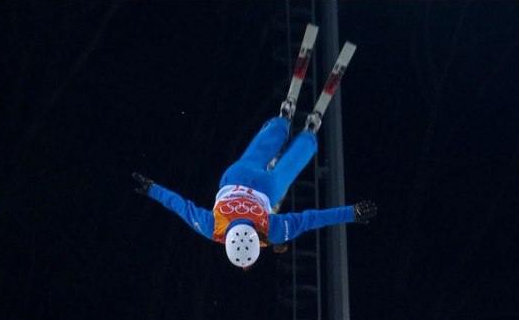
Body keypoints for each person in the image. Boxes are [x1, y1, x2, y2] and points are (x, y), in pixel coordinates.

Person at [132, 104, 376, 269]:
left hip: (266, 190)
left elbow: (311, 218)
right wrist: (153, 188)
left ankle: (308, 136)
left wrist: (351, 213)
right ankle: (281, 121)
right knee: (259, 150)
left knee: (285, 172)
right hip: (236, 178)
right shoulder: (212, 227)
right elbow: (180, 206)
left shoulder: (271, 231)